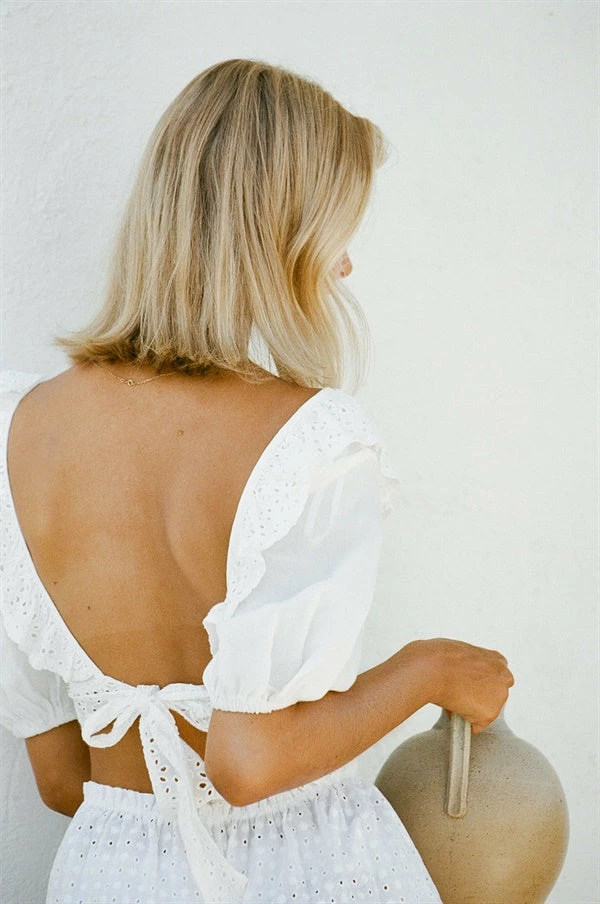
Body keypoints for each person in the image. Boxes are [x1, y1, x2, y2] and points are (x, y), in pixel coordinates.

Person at [0, 59, 513, 904]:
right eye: (335, 231)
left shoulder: (18, 428)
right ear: (280, 234)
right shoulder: (313, 439)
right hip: (291, 873)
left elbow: (62, 778)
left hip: (105, 872)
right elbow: (248, 765)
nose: (343, 268)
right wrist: (429, 671)